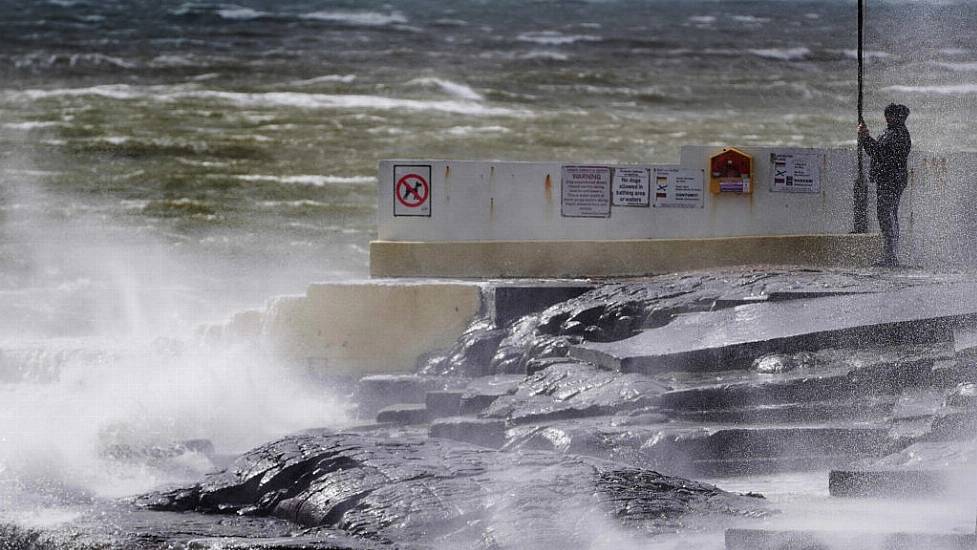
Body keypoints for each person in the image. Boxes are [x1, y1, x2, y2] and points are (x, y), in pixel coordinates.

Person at [858, 103, 912, 267]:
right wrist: (865, 138)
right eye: (887, 115)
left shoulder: (899, 135)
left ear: (899, 117)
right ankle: (889, 254)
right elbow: (877, 151)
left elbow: (880, 153)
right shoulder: (889, 132)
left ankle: (891, 256)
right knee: (887, 215)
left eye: (891, 115)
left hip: (892, 181)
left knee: (887, 215)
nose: (887, 118)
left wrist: (865, 137)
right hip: (886, 180)